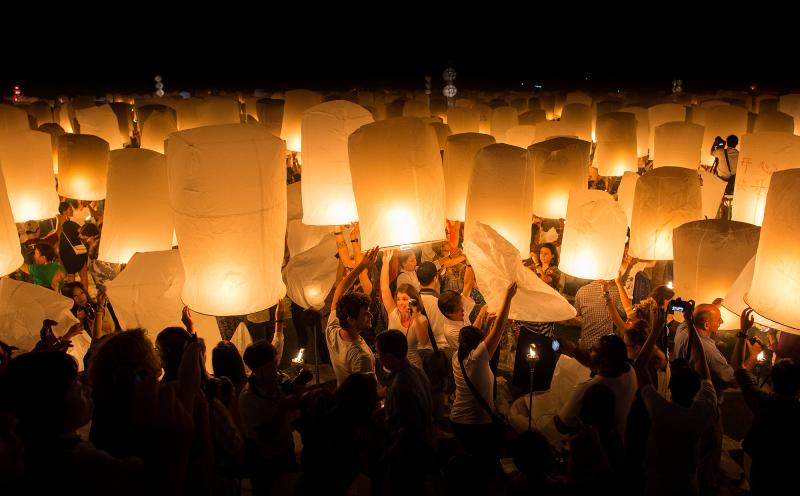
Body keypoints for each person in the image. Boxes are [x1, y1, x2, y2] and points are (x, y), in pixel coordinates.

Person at [0, 351, 144, 495]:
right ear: (51, 400)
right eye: (75, 384)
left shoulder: (40, 449)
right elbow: (147, 479)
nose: (88, 389)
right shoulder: (74, 461)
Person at [634, 303, 718, 496]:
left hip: (657, 483)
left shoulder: (660, 410)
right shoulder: (703, 409)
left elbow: (639, 367)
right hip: (688, 484)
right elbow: (701, 361)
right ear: (697, 388)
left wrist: (655, 330)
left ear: (670, 388)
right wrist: (689, 322)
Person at [450, 282, 517, 477]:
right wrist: (508, 298)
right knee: (484, 466)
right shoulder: (477, 358)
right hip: (476, 423)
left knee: (469, 464)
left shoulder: (458, 355)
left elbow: (476, 331)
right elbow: (499, 329)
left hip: (458, 419)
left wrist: (483, 319)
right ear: (478, 343)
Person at [732, 308, 800, 495]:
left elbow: (737, 368)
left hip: (762, 465)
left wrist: (743, 333)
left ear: (772, 379)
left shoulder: (763, 401)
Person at [376, 329, 435, 495]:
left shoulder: (401, 385)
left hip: (410, 454)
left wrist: (387, 453)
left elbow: (409, 429)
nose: (379, 358)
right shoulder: (417, 370)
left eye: (379, 354)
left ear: (388, 356)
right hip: (423, 444)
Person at [239, 340, 300, 494]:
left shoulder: (280, 380)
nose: (276, 369)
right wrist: (284, 406)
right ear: (257, 370)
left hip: (287, 448)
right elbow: (265, 435)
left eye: (275, 363)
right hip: (264, 459)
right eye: (271, 366)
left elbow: (294, 415)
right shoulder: (249, 398)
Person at [555, 334, 638, 440]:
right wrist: (573, 349)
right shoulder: (629, 371)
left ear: (604, 361)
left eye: (593, 350)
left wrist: (557, 415)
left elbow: (562, 426)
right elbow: (594, 362)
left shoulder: (588, 389)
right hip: (620, 444)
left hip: (593, 448)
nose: (589, 350)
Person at [326, 247, 380, 387]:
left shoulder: (332, 330)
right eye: (364, 314)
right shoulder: (361, 357)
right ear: (350, 319)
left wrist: (362, 265)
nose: (370, 315)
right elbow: (367, 394)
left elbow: (340, 289)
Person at [380, 249, 432, 370]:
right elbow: (384, 289)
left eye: (404, 299)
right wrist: (385, 263)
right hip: (391, 369)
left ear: (413, 300)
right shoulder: (394, 314)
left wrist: (414, 316)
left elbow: (423, 341)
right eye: (398, 299)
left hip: (413, 369)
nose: (400, 303)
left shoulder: (421, 319)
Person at [573, 280, 626, 350]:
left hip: (585, 346)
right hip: (606, 348)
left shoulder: (581, 291)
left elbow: (576, 314)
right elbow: (623, 316)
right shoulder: (617, 292)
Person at [57, 201, 90, 287]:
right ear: (64, 212)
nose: (72, 211)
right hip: (78, 252)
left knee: (71, 277)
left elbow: (58, 239)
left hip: (66, 254)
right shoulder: (71, 224)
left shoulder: (59, 226)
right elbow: (83, 234)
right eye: (70, 209)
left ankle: (72, 296)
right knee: (84, 276)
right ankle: (86, 295)